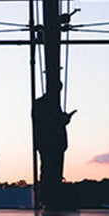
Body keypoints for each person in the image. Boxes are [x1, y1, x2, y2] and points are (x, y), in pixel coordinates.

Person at [32, 80, 76, 209]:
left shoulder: (45, 103)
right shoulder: (44, 104)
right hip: (49, 143)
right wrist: (64, 119)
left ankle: (49, 198)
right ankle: (49, 199)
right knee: (49, 170)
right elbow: (48, 123)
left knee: (50, 170)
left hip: (52, 144)